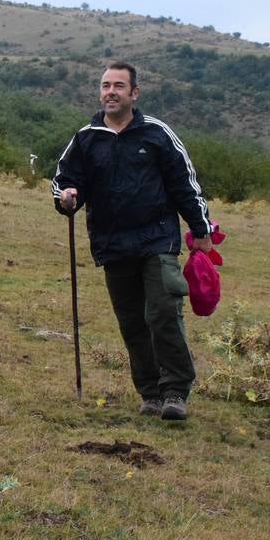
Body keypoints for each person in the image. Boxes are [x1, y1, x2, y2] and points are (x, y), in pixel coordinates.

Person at [52, 62, 213, 421]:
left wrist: (200, 230)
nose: (111, 92)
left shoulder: (157, 134)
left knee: (162, 313)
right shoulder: (86, 137)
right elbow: (63, 180)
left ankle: (175, 390)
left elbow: (184, 184)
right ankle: (150, 392)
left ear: (134, 93)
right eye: (106, 85)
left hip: (157, 239)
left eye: (119, 86)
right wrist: (67, 197)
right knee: (132, 322)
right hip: (111, 244)